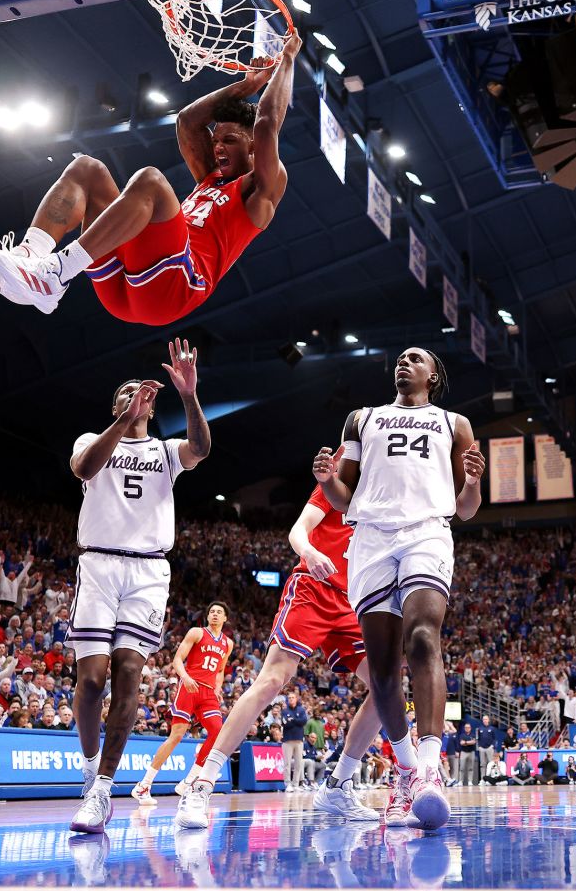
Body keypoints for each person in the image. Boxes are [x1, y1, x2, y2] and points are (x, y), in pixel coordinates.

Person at [0, 33, 301, 324]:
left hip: (176, 287)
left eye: (229, 140)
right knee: (87, 168)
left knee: (150, 179)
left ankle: (55, 273)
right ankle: (31, 258)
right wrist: (247, 85)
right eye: (216, 140)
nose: (217, 147)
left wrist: (286, 61)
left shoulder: (261, 190)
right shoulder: (210, 177)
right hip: (129, 284)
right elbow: (187, 121)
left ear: (254, 147)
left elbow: (267, 122)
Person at [310, 348, 486, 830]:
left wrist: (472, 482)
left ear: (434, 374)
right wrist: (327, 483)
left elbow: (466, 509)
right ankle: (407, 769)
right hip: (369, 538)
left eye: (416, 359)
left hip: (427, 531)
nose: (403, 363)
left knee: (424, 638)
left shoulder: (455, 424)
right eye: (400, 358)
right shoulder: (362, 420)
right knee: (384, 675)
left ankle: (430, 769)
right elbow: (343, 497)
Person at [175, 484, 386, 828]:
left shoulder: (389, 483)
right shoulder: (341, 472)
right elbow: (298, 530)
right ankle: (201, 785)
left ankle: (338, 784)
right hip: (314, 588)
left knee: (386, 688)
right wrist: (309, 551)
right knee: (272, 679)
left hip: (354, 601)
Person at [65, 338, 211, 834]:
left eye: (140, 394)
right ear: (115, 407)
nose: (135, 397)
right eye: (125, 394)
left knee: (128, 672)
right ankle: (88, 768)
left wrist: (189, 395)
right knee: (90, 681)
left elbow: (201, 449)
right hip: (99, 566)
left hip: (148, 571)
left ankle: (103, 790)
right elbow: (84, 469)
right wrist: (124, 421)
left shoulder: (166, 451)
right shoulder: (92, 440)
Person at [131, 602, 233, 804]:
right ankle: (144, 785)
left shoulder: (228, 644)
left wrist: (218, 688)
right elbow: (178, 659)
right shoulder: (197, 632)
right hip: (189, 687)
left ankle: (189, 781)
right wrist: (185, 677)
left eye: (218, 612)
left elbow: (220, 670)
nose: (214, 614)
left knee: (218, 732)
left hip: (208, 693)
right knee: (176, 736)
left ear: (225, 619)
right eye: (211, 611)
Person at [456, 722, 479, 787]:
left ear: (470, 728)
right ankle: (460, 781)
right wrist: (469, 742)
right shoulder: (462, 735)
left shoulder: (473, 735)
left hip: (471, 752)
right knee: (462, 767)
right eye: (466, 727)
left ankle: (470, 781)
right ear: (464, 728)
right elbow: (461, 743)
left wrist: (465, 742)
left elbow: (474, 742)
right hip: (463, 752)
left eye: (468, 727)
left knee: (471, 768)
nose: (467, 728)